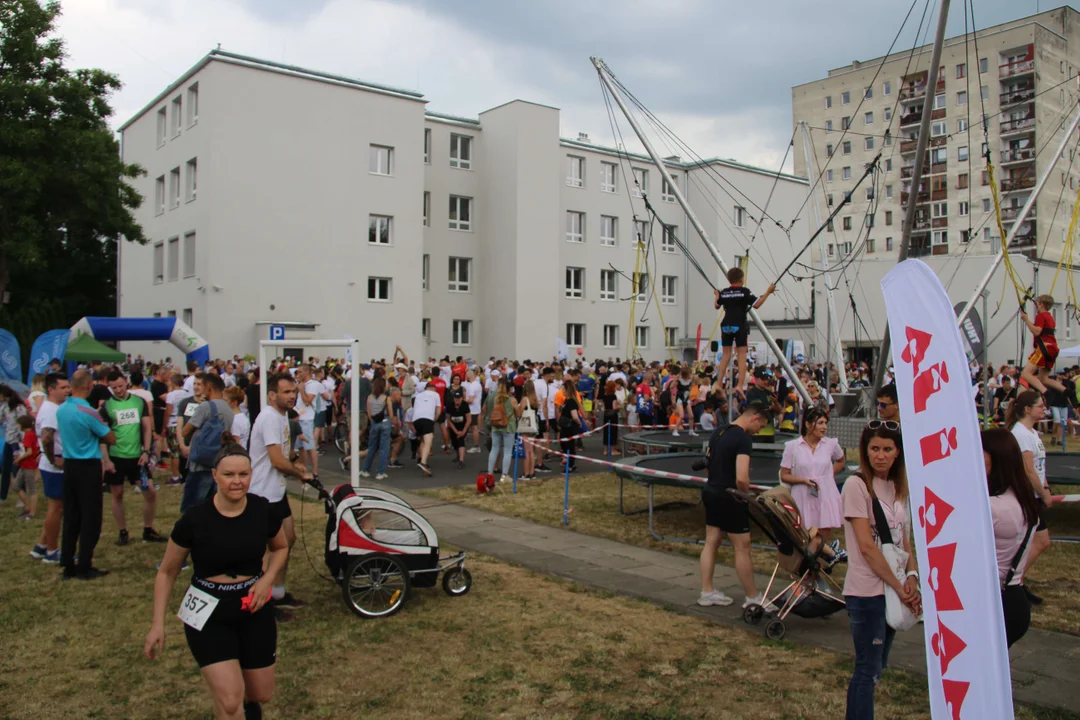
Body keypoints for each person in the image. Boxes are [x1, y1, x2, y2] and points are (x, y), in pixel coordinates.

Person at [145, 444, 287, 720]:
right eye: (229, 474)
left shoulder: (262, 510)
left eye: (243, 474)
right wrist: (157, 624)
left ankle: (237, 702)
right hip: (208, 611)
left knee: (260, 693)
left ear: (251, 474)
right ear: (215, 475)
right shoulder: (194, 520)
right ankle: (228, 702)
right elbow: (167, 572)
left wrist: (267, 579)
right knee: (231, 699)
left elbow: (280, 547)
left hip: (253, 606)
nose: (237, 481)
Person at [841, 421, 920, 720]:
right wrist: (901, 588)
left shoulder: (900, 487)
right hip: (867, 590)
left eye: (887, 449)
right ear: (865, 451)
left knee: (878, 667)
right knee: (867, 669)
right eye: (874, 449)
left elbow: (905, 539)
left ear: (898, 452)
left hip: (894, 586)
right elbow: (866, 547)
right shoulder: (856, 485)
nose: (881, 456)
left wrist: (911, 577)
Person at [249, 373, 313, 620]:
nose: (292, 396)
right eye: (286, 392)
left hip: (276, 491)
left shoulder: (282, 416)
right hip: (262, 493)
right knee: (269, 551)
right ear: (271, 395)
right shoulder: (268, 418)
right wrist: (298, 473)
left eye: (293, 391)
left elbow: (284, 452)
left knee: (288, 540)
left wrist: (296, 461)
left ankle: (278, 593)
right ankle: (263, 603)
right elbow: (276, 461)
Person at [698, 403, 772, 608]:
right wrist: (747, 496)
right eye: (761, 426)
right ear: (755, 418)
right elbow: (742, 477)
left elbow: (708, 464)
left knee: (711, 541)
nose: (759, 431)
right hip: (731, 495)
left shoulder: (718, 431)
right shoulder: (743, 439)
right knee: (743, 546)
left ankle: (707, 590)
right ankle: (752, 597)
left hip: (712, 490)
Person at [981, 428, 1040, 647]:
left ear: (997, 458)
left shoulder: (993, 508)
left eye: (981, 453)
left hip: (995, 603)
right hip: (1013, 595)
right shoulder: (1021, 497)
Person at [57, 369, 117, 580]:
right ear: (89, 386)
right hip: (88, 466)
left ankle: (67, 562)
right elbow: (110, 438)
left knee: (71, 516)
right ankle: (84, 564)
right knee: (90, 517)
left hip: (70, 464)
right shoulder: (89, 412)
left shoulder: (61, 409)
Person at [100, 369, 165, 546]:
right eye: (114, 388)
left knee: (149, 491)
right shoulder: (107, 406)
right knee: (117, 494)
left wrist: (145, 451)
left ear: (126, 383)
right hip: (117, 457)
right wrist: (106, 459)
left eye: (120, 386)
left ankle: (148, 529)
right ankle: (122, 531)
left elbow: (146, 427)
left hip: (137, 458)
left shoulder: (139, 401)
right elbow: (103, 435)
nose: (118, 390)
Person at [1007, 391, 1053, 606]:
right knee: (1038, 541)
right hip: (1028, 496)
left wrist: (1046, 487)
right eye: (1040, 406)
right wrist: (1042, 493)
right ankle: (1012, 582)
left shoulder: (1032, 433)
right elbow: (1028, 469)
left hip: (1035, 494)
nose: (1044, 410)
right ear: (1027, 409)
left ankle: (1016, 581)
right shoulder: (1021, 434)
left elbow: (1038, 467)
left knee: (1038, 542)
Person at [780, 407, 846, 548]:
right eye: (820, 423)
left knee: (821, 538)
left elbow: (841, 460)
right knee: (804, 537)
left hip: (825, 495)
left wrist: (828, 475)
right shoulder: (793, 447)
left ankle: (818, 565)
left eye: (825, 423)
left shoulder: (830, 444)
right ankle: (805, 566)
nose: (824, 427)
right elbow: (784, 475)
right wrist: (803, 480)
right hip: (802, 496)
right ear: (808, 424)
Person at [713, 268, 776, 398]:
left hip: (726, 325)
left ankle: (719, 383)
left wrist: (717, 296)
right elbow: (757, 304)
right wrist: (768, 292)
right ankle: (740, 386)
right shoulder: (744, 292)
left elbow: (717, 305)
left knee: (726, 355)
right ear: (742, 279)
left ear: (729, 279)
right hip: (739, 324)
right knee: (742, 355)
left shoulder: (724, 292)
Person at [28, 373, 70, 564]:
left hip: (52, 462)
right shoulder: (52, 410)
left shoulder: (52, 407)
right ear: (51, 390)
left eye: (68, 386)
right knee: (56, 508)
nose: (67, 390)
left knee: (55, 508)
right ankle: (52, 551)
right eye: (62, 388)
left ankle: (42, 545)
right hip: (55, 465)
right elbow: (46, 437)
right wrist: (54, 459)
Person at [181, 373, 235, 513]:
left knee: (192, 509)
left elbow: (185, 431)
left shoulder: (206, 407)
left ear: (209, 387)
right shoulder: (228, 410)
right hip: (216, 462)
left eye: (202, 385)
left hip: (199, 464)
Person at [1020, 295, 1067, 395]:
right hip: (1052, 348)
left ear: (1041, 305)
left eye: (1037, 304)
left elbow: (1037, 331)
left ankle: (1046, 393)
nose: (1036, 307)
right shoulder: (1050, 317)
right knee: (1043, 378)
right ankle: (1067, 392)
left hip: (1044, 348)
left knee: (1025, 374)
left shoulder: (1041, 316)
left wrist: (1026, 320)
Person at [483, 377, 519, 483]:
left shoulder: (496, 399)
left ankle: (490, 473)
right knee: (507, 451)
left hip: (496, 426)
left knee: (494, 449)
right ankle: (504, 475)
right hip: (508, 427)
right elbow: (518, 413)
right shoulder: (512, 400)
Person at [293, 365, 324, 480]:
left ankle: (315, 472)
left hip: (306, 418)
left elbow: (307, 401)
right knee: (301, 447)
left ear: (307, 372)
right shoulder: (303, 384)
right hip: (299, 417)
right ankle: (303, 469)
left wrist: (301, 389)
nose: (298, 374)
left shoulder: (312, 385)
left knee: (309, 446)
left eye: (301, 372)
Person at [360, 377, 394, 480]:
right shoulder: (386, 398)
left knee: (371, 447)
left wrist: (373, 421)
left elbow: (369, 413)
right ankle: (380, 472)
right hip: (385, 422)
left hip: (374, 423)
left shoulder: (369, 398)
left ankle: (366, 469)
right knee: (384, 449)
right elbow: (391, 414)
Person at [0, 384, 28, 502]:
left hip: (17, 442)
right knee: (5, 469)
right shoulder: (4, 406)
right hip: (8, 440)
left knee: (17, 470)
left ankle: (22, 497)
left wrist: (23, 444)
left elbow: (23, 424)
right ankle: (3, 496)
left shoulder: (19, 407)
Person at [411, 375, 441, 477]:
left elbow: (415, 408)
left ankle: (420, 458)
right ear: (433, 389)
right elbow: (438, 411)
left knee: (423, 440)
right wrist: (434, 420)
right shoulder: (436, 395)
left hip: (416, 419)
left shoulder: (418, 396)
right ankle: (423, 462)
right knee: (429, 440)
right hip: (427, 418)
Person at [11, 415, 38, 520]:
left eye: (18, 424)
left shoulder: (28, 435)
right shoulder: (29, 434)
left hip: (29, 466)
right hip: (24, 465)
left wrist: (19, 459)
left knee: (32, 490)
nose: (17, 426)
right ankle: (28, 506)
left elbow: (29, 452)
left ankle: (32, 512)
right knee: (16, 486)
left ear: (23, 425)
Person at [557, 379, 582, 473]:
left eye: (563, 389)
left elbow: (575, 415)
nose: (562, 391)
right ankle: (570, 463)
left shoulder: (571, 401)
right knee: (564, 444)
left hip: (570, 427)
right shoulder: (566, 400)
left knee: (569, 446)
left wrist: (579, 423)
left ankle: (571, 465)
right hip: (565, 426)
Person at [601, 381, 621, 456]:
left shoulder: (604, 396)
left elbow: (603, 407)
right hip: (613, 416)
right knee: (613, 432)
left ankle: (605, 450)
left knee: (606, 432)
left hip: (606, 415)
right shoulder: (613, 396)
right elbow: (614, 407)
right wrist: (620, 406)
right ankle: (613, 450)